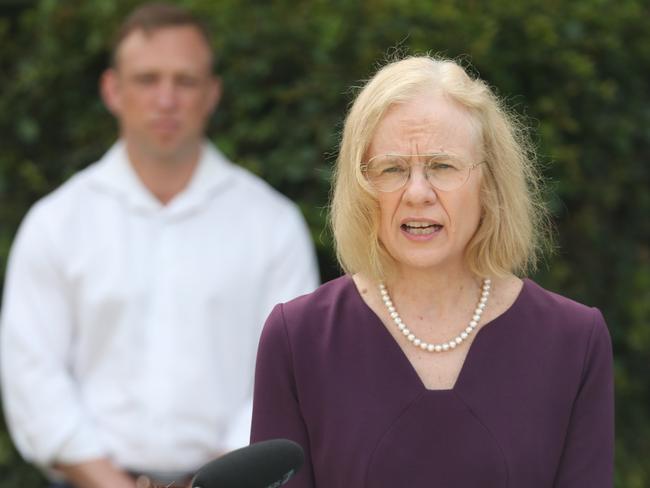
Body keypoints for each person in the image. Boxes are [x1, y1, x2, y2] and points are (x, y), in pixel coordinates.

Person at [251, 55, 614, 487]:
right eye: (392, 169)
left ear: (490, 183)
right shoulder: (299, 338)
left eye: (442, 166)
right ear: (362, 187)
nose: (417, 193)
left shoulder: (574, 340)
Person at [0, 3, 319, 488]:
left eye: (185, 81)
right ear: (113, 89)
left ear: (212, 93)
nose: (166, 99)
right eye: (147, 79)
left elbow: (288, 374)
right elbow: (31, 374)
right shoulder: (56, 223)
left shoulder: (272, 225)